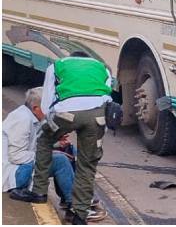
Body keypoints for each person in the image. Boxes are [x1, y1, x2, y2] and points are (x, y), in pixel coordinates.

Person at [10, 51, 112, 225]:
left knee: (44, 140)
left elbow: (47, 102)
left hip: (66, 113)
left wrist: (52, 127)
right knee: (87, 165)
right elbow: (107, 99)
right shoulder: (103, 68)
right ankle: (80, 215)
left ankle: (39, 192)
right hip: (97, 116)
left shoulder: (57, 65)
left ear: (72, 57)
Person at [4, 87, 74, 208]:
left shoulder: (31, 117)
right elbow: (16, 156)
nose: (52, 112)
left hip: (21, 168)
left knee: (70, 151)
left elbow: (34, 145)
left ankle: (69, 196)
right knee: (60, 161)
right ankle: (76, 204)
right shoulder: (22, 119)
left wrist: (56, 145)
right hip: (12, 175)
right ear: (36, 108)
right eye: (49, 108)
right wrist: (51, 153)